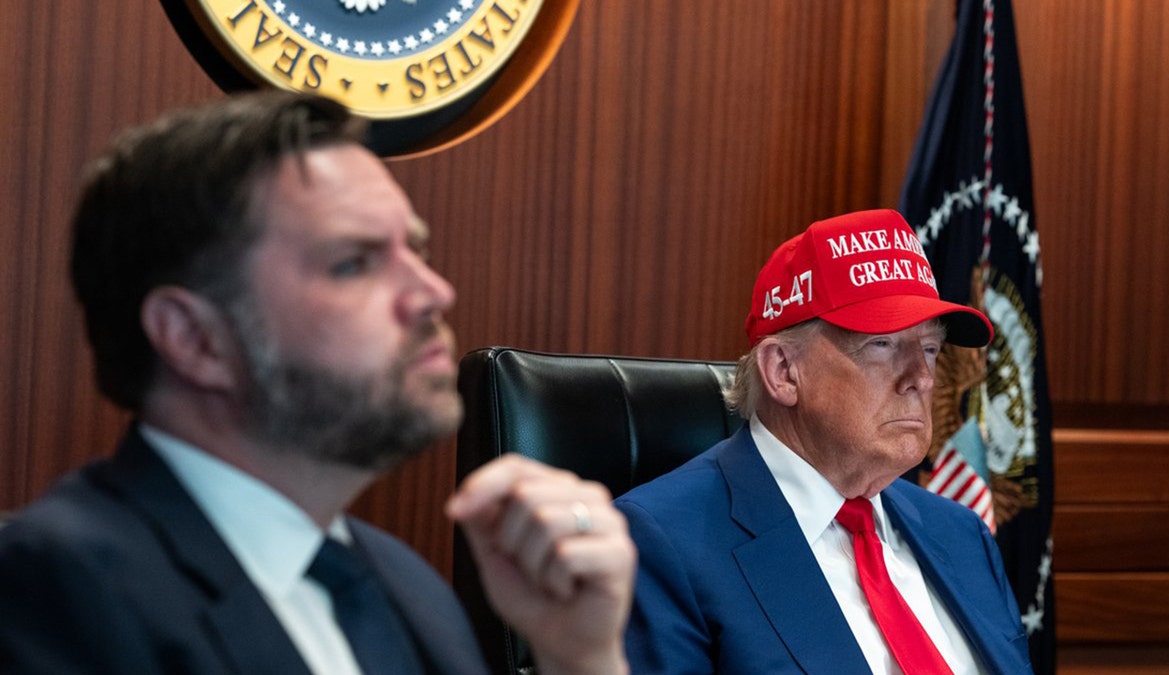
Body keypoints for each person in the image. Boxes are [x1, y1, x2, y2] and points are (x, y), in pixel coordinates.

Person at [0, 91, 634, 675]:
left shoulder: (405, 586)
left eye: (417, 252)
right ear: (196, 340)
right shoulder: (54, 587)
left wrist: (579, 657)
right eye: (353, 263)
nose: (434, 293)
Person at [614, 209, 1034, 674]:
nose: (922, 378)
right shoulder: (661, 544)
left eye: (930, 349)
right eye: (883, 345)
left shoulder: (961, 533)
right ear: (783, 372)